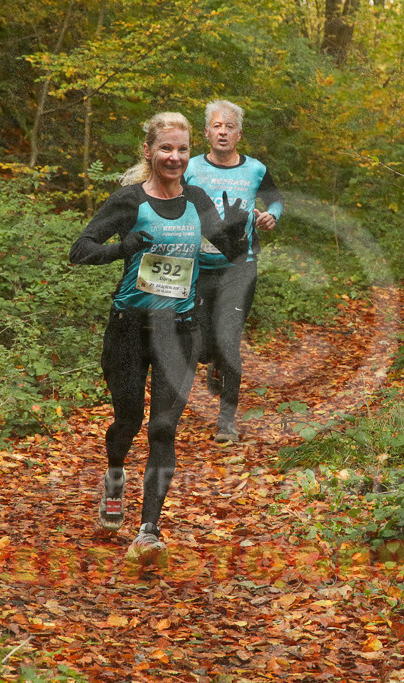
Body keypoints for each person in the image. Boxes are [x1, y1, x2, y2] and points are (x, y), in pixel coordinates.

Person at [69, 112, 248, 559]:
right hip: (129, 330)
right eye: (166, 148)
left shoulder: (199, 199)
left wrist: (235, 231)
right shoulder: (128, 201)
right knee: (128, 420)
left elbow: (227, 255)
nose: (174, 157)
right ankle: (114, 475)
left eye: (182, 149)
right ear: (148, 151)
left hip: (180, 332)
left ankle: (149, 530)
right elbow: (79, 251)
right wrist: (121, 248)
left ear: (191, 154)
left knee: (163, 428)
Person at [185, 100, 284, 443]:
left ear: (239, 134)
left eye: (229, 126)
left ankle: (227, 420)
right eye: (217, 126)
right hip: (195, 267)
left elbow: (276, 200)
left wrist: (272, 216)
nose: (223, 131)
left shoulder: (255, 169)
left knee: (229, 341)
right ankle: (212, 362)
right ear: (207, 133)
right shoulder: (190, 167)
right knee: (198, 346)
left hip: (240, 267)